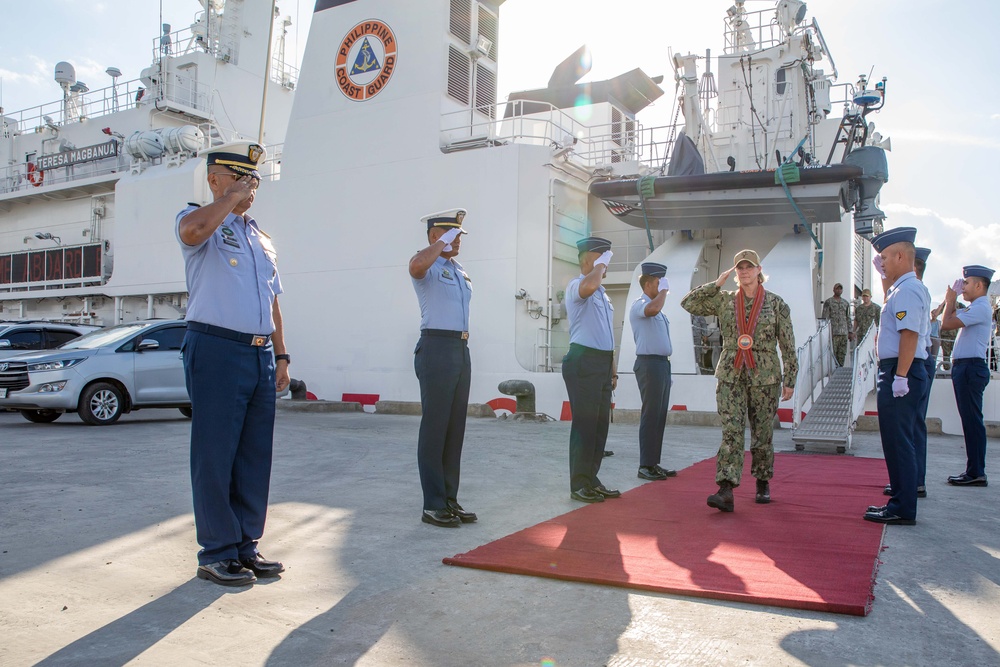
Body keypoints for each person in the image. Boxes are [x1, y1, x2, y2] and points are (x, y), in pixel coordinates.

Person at [177, 140, 289, 586]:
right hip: (217, 348)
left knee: (253, 456)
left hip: (260, 353)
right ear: (215, 179)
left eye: (254, 180)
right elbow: (191, 233)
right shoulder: (199, 219)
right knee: (215, 453)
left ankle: (246, 546)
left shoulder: (260, 238)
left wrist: (281, 355)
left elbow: (274, 301)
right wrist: (228, 201)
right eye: (240, 178)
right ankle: (217, 551)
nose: (249, 187)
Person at [680, 249, 797, 512]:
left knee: (762, 433)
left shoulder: (777, 304)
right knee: (731, 432)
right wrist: (716, 283)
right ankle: (726, 488)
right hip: (731, 374)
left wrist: (790, 378)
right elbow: (689, 303)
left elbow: (787, 344)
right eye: (740, 268)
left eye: (749, 267)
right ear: (735, 273)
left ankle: (763, 480)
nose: (744, 271)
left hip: (765, 376)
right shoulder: (724, 300)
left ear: (759, 270)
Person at [408, 208, 477, 527]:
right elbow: (415, 266)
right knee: (435, 427)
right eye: (452, 235)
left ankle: (450, 498)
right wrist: (440, 244)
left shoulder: (459, 270)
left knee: (454, 429)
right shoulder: (428, 264)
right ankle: (432, 503)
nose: (458, 241)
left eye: (460, 236)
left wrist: (448, 246)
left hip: (460, 348)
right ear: (436, 236)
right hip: (436, 347)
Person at [864, 227, 928, 525]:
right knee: (895, 439)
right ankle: (900, 500)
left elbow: (909, 334)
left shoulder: (908, 290)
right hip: (897, 369)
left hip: (900, 370)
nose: (883, 262)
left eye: (886, 257)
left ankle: (903, 507)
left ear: (901, 256)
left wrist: (900, 376)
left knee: (900, 440)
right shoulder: (902, 289)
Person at [563, 236, 620, 503]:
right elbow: (588, 285)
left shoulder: (603, 295)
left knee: (599, 428)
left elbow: (607, 335)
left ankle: (591, 478)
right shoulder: (578, 285)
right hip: (583, 361)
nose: (605, 265)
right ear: (588, 258)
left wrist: (613, 369)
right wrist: (599, 267)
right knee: (585, 426)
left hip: (601, 362)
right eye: (601, 258)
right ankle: (579, 484)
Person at [941, 264, 995, 487]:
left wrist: (951, 297)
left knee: (973, 421)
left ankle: (976, 472)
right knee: (970, 421)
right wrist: (951, 300)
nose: (963, 287)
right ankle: (973, 470)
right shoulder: (977, 307)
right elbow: (951, 315)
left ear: (979, 285)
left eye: (966, 283)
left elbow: (946, 323)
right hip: (966, 368)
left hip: (971, 368)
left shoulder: (981, 307)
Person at [629, 262, 678, 481]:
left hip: (661, 365)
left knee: (659, 416)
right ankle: (644, 465)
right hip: (649, 364)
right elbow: (653, 308)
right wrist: (665, 291)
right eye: (659, 282)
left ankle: (653, 462)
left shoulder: (658, 310)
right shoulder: (640, 305)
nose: (662, 286)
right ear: (648, 284)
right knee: (650, 415)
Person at [821, 283, 852, 366]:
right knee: (833, 354)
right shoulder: (828, 302)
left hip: (843, 333)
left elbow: (848, 317)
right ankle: (833, 371)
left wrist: (850, 332)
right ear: (834, 290)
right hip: (833, 333)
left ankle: (840, 369)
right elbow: (825, 318)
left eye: (840, 289)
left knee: (842, 354)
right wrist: (825, 332)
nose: (839, 290)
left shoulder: (845, 303)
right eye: (837, 289)